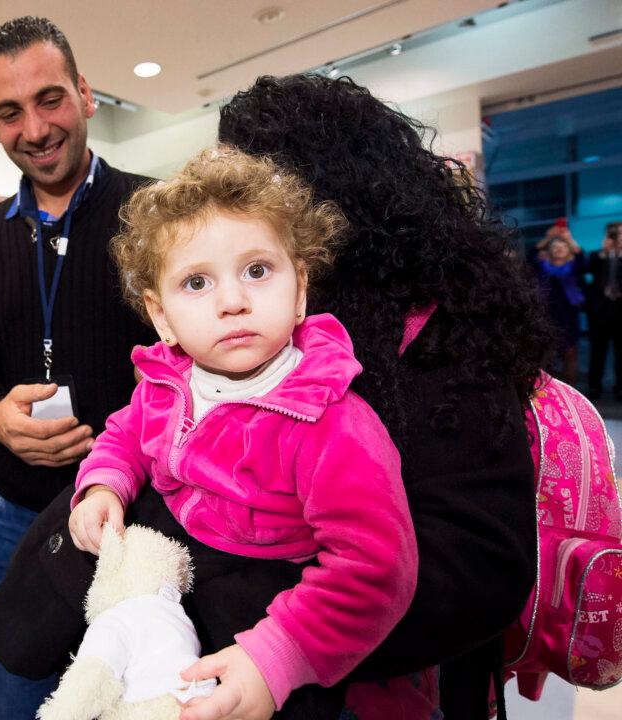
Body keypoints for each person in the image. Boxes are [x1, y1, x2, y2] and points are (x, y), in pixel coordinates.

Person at [218, 74, 553, 720]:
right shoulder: (273, 319)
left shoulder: (437, 327)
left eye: (251, 185)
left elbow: (480, 565)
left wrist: (277, 628)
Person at [69, 147, 420, 718]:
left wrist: (275, 657)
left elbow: (375, 569)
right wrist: (105, 483)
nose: (233, 301)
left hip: (273, 615)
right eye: (197, 282)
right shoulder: (167, 382)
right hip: (178, 593)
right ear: (161, 317)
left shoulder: (327, 420)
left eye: (258, 271)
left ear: (300, 288)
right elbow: (125, 433)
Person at [0, 16, 155, 719]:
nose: (34, 129)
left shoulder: (156, 214)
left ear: (86, 94)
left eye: (50, 99)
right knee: (19, 702)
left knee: (136, 701)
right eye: (10, 112)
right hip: (15, 518)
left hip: (144, 517)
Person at [529, 220, 585, 385]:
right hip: (546, 316)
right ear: (550, 251)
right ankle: (548, 390)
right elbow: (532, 254)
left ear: (568, 251)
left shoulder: (574, 267)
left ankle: (571, 390)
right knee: (547, 357)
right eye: (555, 247)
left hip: (569, 317)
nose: (559, 248)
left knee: (570, 354)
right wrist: (548, 238)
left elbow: (582, 258)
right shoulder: (541, 266)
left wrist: (568, 239)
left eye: (562, 247)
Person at [584, 221, 622, 399]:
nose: (617, 237)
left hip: (620, 309)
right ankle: (594, 387)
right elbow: (587, 269)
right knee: (597, 350)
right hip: (600, 311)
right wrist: (603, 253)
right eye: (613, 234)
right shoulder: (597, 255)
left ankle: (620, 388)